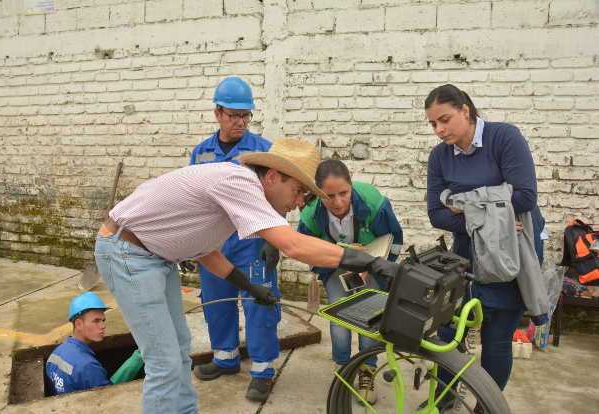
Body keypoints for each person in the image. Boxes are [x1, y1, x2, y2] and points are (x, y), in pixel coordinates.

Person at [94, 138, 400, 414]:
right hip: (127, 253)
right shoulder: (240, 183)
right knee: (164, 362)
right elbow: (293, 245)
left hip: (152, 255)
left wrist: (250, 287)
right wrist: (369, 263)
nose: (297, 203)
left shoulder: (236, 188)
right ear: (271, 176)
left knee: (179, 350)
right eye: (297, 191)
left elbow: (206, 252)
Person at [424, 84, 546, 405]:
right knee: (450, 335)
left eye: (445, 119)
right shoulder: (439, 157)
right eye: (433, 124)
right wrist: (493, 215)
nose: (439, 130)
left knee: (496, 340)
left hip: (509, 252)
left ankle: (487, 407)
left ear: (466, 110)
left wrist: (463, 205)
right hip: (465, 255)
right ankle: (444, 400)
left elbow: (524, 197)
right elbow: (436, 213)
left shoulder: (504, 138)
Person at [189, 76, 281, 402]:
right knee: (216, 300)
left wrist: (275, 240)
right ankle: (225, 358)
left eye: (246, 115)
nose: (240, 122)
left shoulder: (263, 151)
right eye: (233, 115)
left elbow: (279, 199)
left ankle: (262, 369)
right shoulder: (201, 153)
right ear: (217, 113)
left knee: (260, 303)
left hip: (253, 243)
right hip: (214, 245)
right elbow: (193, 200)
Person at [297, 159, 403, 405]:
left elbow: (394, 238)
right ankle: (343, 367)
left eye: (343, 193)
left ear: (351, 186)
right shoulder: (310, 214)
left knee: (369, 320)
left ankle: (367, 370)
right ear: (319, 193)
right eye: (329, 196)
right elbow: (304, 249)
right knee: (339, 318)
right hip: (335, 268)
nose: (338, 202)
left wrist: (381, 266)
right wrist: (331, 264)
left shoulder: (374, 202)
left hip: (372, 267)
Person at [45, 292, 143, 395]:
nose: (103, 326)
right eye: (96, 321)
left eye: (103, 320)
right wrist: (138, 358)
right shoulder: (88, 366)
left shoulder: (56, 353)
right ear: (78, 324)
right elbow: (108, 397)